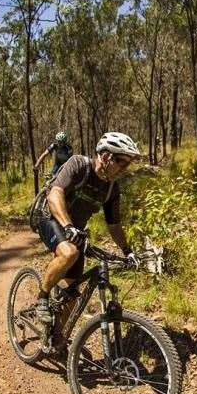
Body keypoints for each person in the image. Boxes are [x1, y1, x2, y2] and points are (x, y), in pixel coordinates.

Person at [33, 132, 141, 330]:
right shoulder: (78, 165)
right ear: (106, 157)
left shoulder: (111, 189)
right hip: (50, 217)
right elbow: (55, 195)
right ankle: (43, 297)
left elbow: (114, 225)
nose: (124, 170)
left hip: (75, 231)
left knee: (72, 294)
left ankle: (56, 339)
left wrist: (128, 251)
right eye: (123, 163)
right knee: (69, 252)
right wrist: (68, 226)